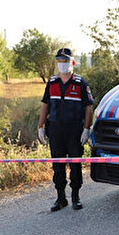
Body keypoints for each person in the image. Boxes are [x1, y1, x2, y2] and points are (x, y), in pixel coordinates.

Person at [38, 48, 94, 211]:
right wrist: (40, 126)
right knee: (58, 165)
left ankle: (75, 197)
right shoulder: (52, 82)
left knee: (75, 164)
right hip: (55, 130)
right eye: (60, 61)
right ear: (56, 63)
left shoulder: (80, 83)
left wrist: (86, 129)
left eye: (66, 61)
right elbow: (45, 105)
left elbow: (88, 108)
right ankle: (61, 198)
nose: (62, 65)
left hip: (74, 130)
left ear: (73, 63)